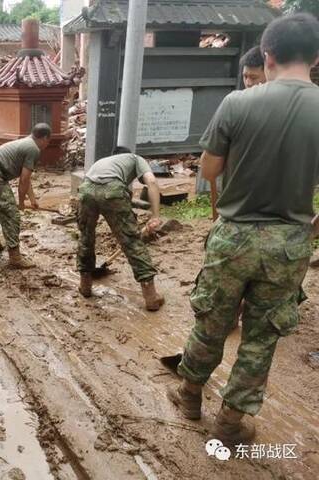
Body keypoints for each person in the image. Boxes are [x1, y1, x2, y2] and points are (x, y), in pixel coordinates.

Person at [167, 13, 319, 445]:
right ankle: (231, 423)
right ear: (317, 57)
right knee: (261, 337)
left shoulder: (237, 103)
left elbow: (209, 169)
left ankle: (190, 395)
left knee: (211, 323)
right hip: (289, 242)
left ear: (267, 56)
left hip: (234, 236)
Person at [76, 147, 165, 311]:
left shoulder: (104, 162)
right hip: (112, 189)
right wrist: (155, 215)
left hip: (86, 189)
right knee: (132, 242)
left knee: (86, 237)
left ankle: (85, 286)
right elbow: (151, 182)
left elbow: (102, 190)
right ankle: (151, 297)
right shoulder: (136, 158)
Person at [0, 123, 51, 269]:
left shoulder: (26, 143)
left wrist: (33, 200)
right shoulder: (33, 149)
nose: (47, 144)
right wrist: (21, 202)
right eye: (48, 141)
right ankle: (15, 257)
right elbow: (23, 180)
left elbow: (26, 178)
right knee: (11, 215)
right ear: (44, 138)